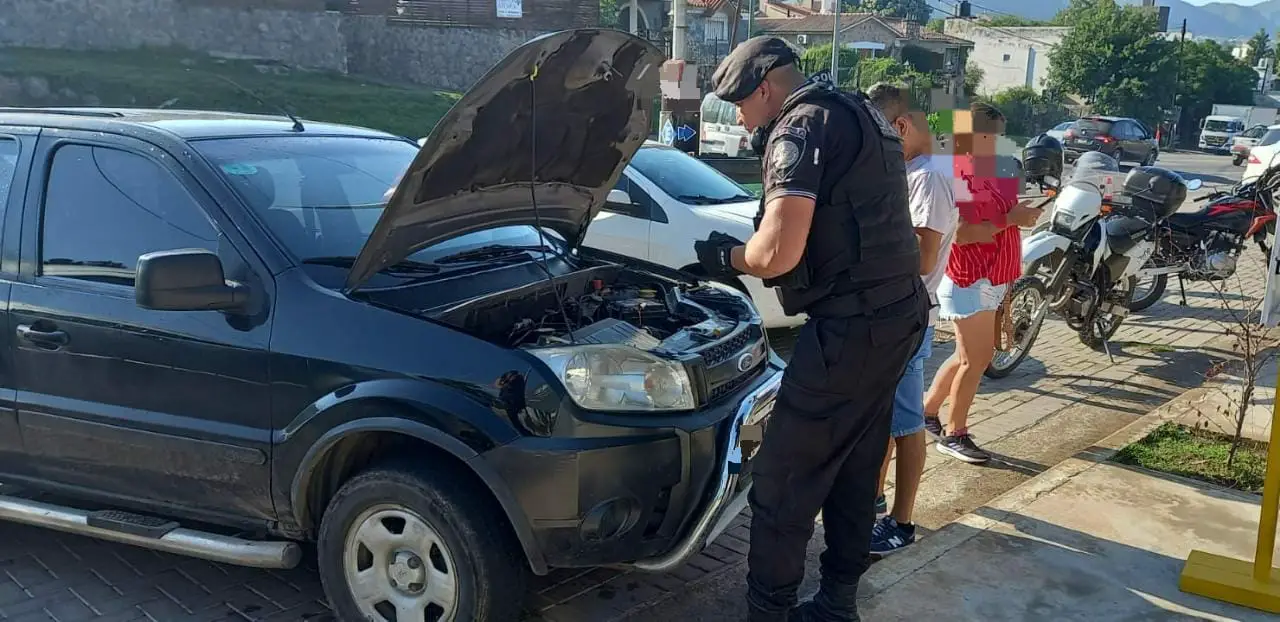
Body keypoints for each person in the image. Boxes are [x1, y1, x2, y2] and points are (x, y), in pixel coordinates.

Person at [695, 36, 929, 622]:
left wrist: (727, 258)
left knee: (783, 481)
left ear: (765, 88)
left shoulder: (799, 127)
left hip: (853, 327)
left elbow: (775, 253)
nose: (741, 119)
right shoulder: (857, 110)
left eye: (741, 105)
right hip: (898, 312)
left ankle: (769, 612)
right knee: (855, 467)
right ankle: (837, 604)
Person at [863, 84, 957, 556]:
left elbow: (923, 258)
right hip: (896, 311)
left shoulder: (928, 178)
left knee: (906, 423)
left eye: (880, 137)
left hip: (910, 313)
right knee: (885, 420)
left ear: (900, 126)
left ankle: (901, 523)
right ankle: (874, 502)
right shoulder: (920, 171)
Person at [922, 102, 1042, 464]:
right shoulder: (956, 174)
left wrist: (1021, 213)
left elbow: (1000, 215)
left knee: (967, 357)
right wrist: (1012, 218)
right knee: (976, 360)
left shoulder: (989, 170)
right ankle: (954, 434)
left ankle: (927, 413)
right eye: (993, 135)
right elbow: (962, 234)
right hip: (969, 278)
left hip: (990, 278)